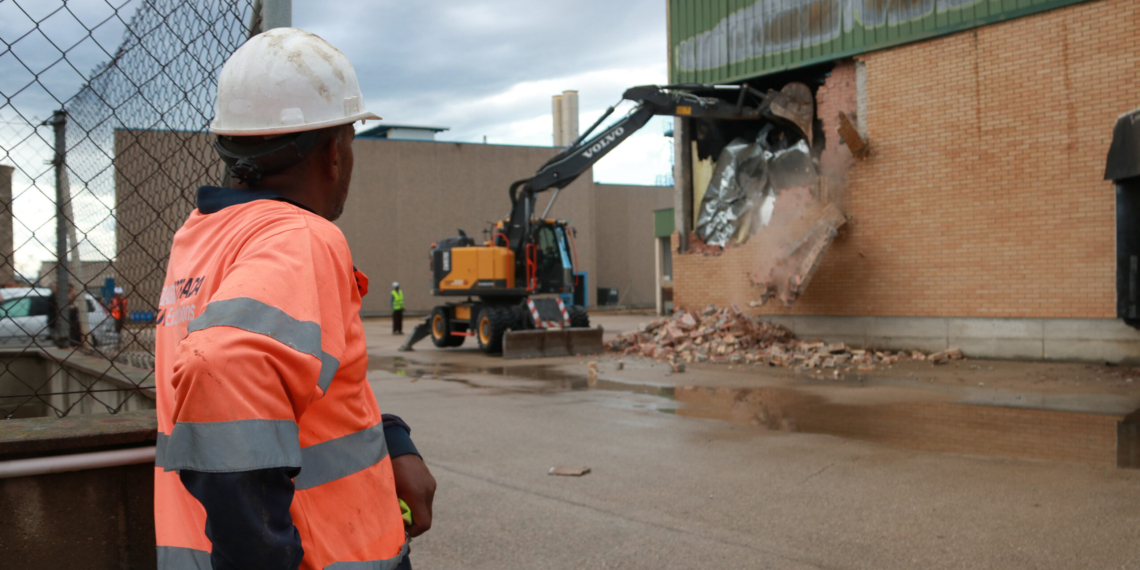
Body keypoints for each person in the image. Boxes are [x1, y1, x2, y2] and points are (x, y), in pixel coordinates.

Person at [153, 28, 434, 570]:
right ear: (333, 152)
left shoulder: (201, 236)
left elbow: (293, 384)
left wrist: (390, 439)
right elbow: (225, 366)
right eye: (350, 139)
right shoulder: (301, 238)